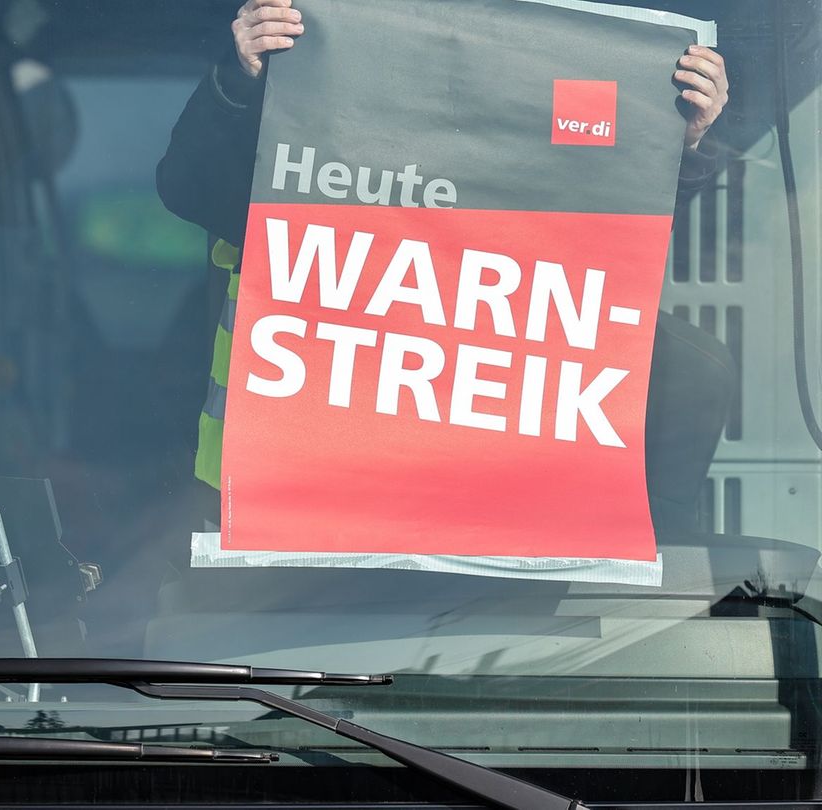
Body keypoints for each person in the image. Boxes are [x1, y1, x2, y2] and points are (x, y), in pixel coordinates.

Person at [158, 0, 735, 532]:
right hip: (292, 525)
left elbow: (599, 231)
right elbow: (192, 188)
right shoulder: (316, 83)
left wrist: (667, 138)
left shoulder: (685, 371)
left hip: (495, 549)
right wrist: (241, 81)